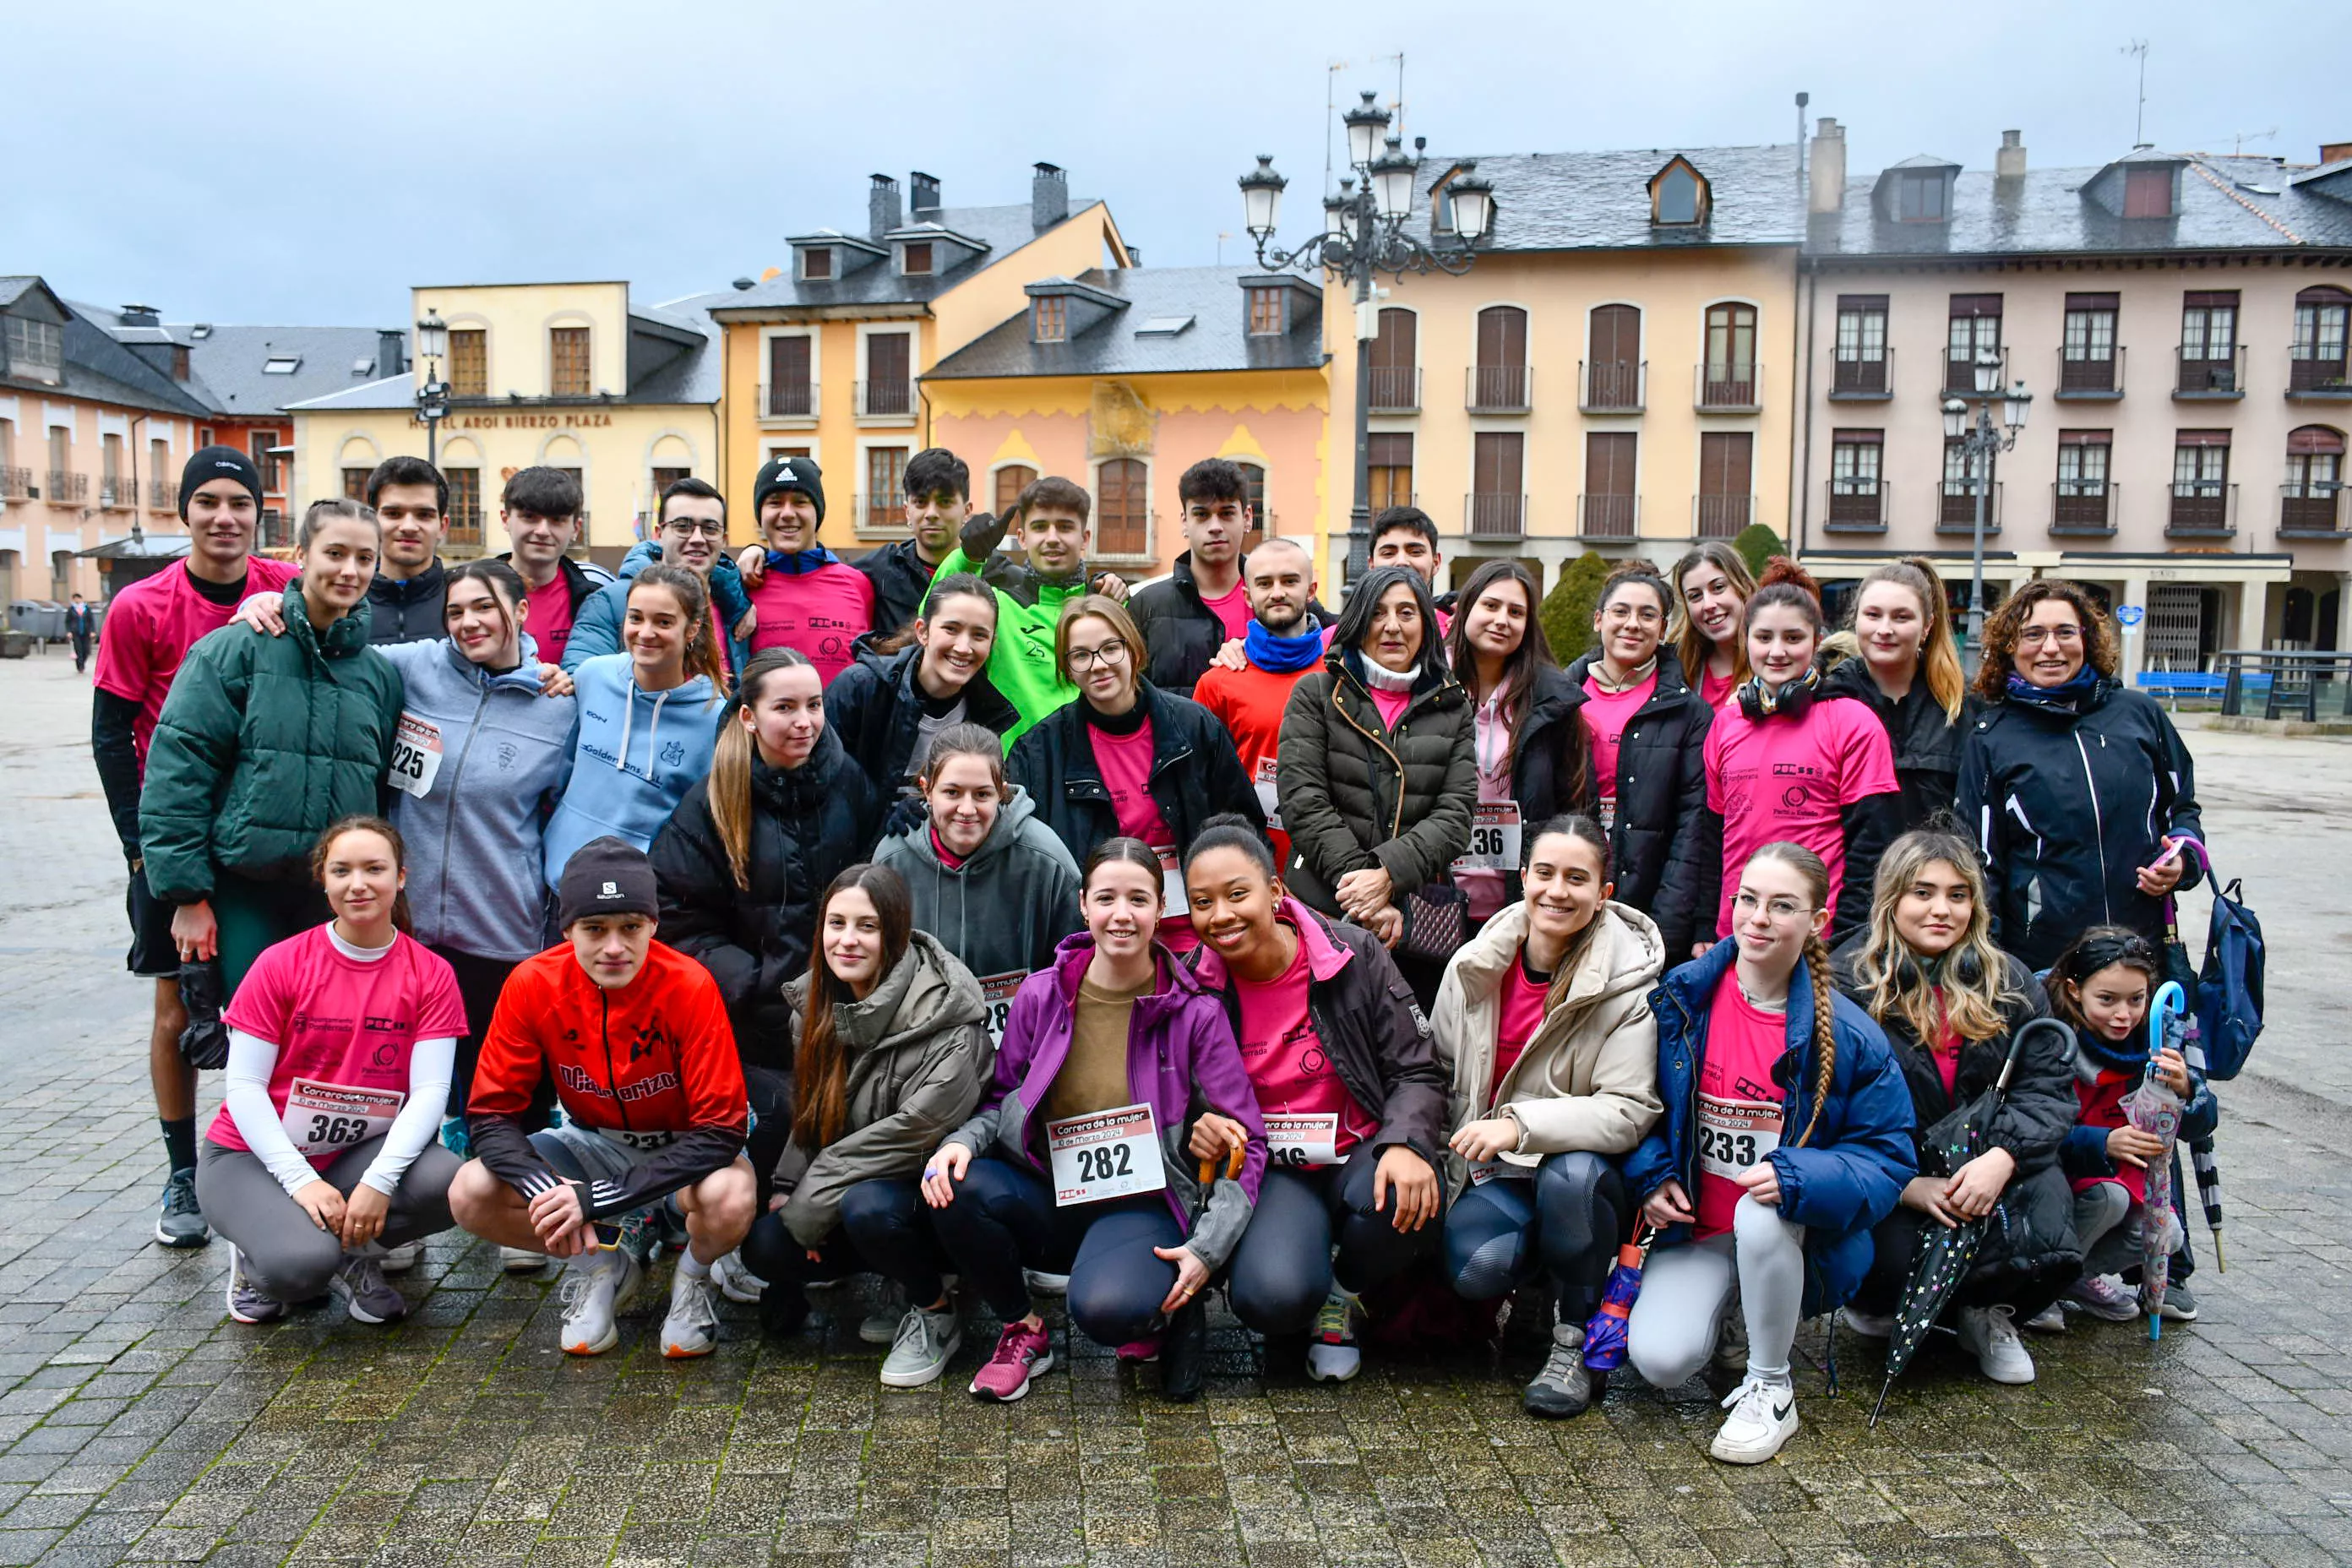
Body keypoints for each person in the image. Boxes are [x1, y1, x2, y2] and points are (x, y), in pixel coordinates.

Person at [922, 839, 1266, 1403]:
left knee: (1108, 1311)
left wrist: (1209, 1249)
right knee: (953, 1186)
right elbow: (1001, 1096)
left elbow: (1246, 1141)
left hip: (1142, 1206)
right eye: (1106, 898)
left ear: (1161, 909)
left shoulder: (1195, 1012)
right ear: (1084, 905)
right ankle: (1021, 1330)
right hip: (1050, 1193)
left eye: (1138, 899)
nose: (1122, 915)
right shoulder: (1042, 996)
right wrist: (961, 1141)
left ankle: (1158, 1311)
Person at [1621, 841, 1914, 1465]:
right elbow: (1636, 1102)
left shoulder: (1852, 1034)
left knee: (1763, 1209)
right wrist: (1653, 1175)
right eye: (1749, 900)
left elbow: (1889, 1158)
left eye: (1782, 906)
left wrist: (1796, 1177)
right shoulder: (1681, 998)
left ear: (1817, 920)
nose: (1758, 918)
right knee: (1660, 1361)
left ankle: (1771, 1388)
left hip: (1798, 1235)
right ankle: (1734, 1308)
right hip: (1698, 1228)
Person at [91, 445, 297, 1247]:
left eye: (238, 504)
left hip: (261, 835)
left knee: (273, 1002)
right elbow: (111, 734)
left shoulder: (282, 587)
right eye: (207, 502)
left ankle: (274, 1160)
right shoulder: (142, 606)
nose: (223, 517)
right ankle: (183, 1172)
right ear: (185, 513)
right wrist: (143, 853)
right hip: (175, 837)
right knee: (177, 1003)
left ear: (258, 515)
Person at [448, 838, 757, 1358]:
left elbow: (721, 1131)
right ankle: (604, 1267)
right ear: (567, 930)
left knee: (731, 1196)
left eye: (630, 927)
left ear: (653, 925)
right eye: (595, 929)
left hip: (690, 1153)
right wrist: (552, 1192)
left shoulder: (690, 984)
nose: (614, 947)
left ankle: (692, 1278)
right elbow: (491, 1115)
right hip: (592, 1143)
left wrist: (594, 1200)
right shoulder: (531, 982)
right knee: (469, 1192)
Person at [1179, 817, 1448, 1384]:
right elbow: (1178, 1098)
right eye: (1202, 902)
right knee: (1269, 1298)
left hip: (1359, 1151)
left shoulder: (1353, 953)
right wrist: (1196, 1125)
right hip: (1274, 1168)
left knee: (1410, 1195)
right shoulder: (1192, 987)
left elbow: (1417, 1070)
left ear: (1275, 891)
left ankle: (1343, 1290)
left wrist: (1404, 1143)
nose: (1221, 915)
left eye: (1237, 894)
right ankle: (1305, 1279)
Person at [1429, 815, 1664, 1417]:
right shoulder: (1473, 967)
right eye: (1545, 873)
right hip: (1498, 1173)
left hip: (1586, 1179)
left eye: (1577, 878)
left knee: (1572, 1177)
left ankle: (1573, 1342)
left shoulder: (1629, 987)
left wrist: (1519, 1125)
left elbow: (1628, 1109)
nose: (1558, 891)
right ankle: (1536, 1288)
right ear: (1523, 879)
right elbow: (1440, 1070)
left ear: (1603, 894)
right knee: (1477, 1269)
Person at [1830, 830, 2077, 1386]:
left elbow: (2047, 1087)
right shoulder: (1846, 982)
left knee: (2047, 1214)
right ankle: (1880, 1302)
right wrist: (1904, 1185)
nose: (1942, 909)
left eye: (1958, 894)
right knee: (1885, 1258)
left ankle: (1984, 1312)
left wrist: (2002, 1159)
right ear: (1892, 898)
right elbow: (1826, 1107)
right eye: (1923, 892)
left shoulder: (2010, 979)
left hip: (1982, 1166)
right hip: (1895, 1175)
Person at [197, 818, 467, 1325]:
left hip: (353, 1152)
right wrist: (300, 1182)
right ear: (323, 879)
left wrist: (378, 1184)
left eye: (374, 868)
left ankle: (357, 1256)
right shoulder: (280, 964)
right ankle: (256, 1254)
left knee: (453, 1184)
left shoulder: (431, 973)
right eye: (342, 870)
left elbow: (431, 1092)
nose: (358, 883)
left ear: (401, 877)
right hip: (249, 1157)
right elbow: (245, 1087)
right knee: (300, 1268)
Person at [739, 865, 996, 1388]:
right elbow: (814, 1105)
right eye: (836, 924)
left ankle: (936, 1307)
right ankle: (894, 1278)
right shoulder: (813, 1003)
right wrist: (789, 1184)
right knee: (766, 1245)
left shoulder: (944, 1014)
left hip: (936, 1192)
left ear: (895, 934)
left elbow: (915, 1132)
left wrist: (813, 1201)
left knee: (867, 1207)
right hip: (857, 1179)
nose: (847, 940)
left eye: (867, 926)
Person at [140, 498, 404, 998]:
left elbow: (382, 787)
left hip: (337, 896)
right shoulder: (233, 651)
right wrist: (187, 895)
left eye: (365, 558)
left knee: (329, 1038)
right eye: (336, 553)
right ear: (303, 553)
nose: (350, 570)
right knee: (256, 1036)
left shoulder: (379, 676)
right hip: (245, 889)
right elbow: (178, 774)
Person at [651, 648, 885, 1180]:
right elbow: (675, 917)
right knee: (769, 1148)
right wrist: (758, 981)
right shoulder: (711, 803)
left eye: (814, 705)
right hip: (755, 1025)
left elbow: (874, 872)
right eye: (785, 708)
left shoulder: (846, 777)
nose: (805, 722)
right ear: (749, 717)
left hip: (846, 1008)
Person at [1956, 580, 2203, 972]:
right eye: (2033, 634)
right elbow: (1981, 862)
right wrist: (1992, 965)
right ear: (2008, 646)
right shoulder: (1991, 737)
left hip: (2141, 952)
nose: (2050, 648)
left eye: (2065, 632)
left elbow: (2182, 809)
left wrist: (2184, 861)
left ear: (2086, 638)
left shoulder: (2140, 714)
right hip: (2046, 962)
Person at [1006, 596, 1262, 945]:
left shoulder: (1195, 726)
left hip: (1196, 930)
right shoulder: (1038, 751)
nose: (1098, 665)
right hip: (1096, 938)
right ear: (1067, 669)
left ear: (1134, 650)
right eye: (1081, 655)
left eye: (1111, 648)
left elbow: (1242, 826)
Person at [1277, 564, 1476, 999]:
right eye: (1378, 613)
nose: (1392, 627)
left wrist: (1388, 875)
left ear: (1426, 624)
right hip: (1323, 906)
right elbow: (1302, 800)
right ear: (1358, 620)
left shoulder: (1453, 708)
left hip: (1415, 913)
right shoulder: (1315, 694)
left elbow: (1456, 814)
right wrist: (1367, 893)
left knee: (1409, 1049)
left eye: (1407, 613)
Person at [1702, 560, 1899, 951]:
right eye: (1764, 637)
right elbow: (1710, 838)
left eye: (1793, 638)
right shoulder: (1725, 723)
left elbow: (1873, 846)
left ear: (1816, 640)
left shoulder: (1853, 722)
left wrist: (1847, 937)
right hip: (1736, 934)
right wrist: (1704, 927)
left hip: (1820, 939)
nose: (1777, 652)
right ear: (1746, 641)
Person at [2045, 927, 2214, 1327]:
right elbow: (2033, 1127)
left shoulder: (2157, 1039)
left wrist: (2187, 1090)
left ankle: (2076, 1278)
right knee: (2110, 1199)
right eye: (2107, 1000)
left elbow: (2198, 1127)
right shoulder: (2052, 1037)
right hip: (2058, 1182)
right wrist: (2103, 1142)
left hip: (2127, 1178)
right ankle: (2041, 1283)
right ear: (2074, 990)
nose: (2123, 1014)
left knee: (2167, 1231)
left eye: (2136, 1000)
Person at [871, 724, 1081, 1026]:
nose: (966, 809)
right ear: (927, 790)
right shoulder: (892, 860)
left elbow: (1078, 962)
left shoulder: (1046, 859)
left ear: (1002, 792)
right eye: (952, 792)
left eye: (982, 794)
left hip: (1024, 1047)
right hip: (920, 1049)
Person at [1558, 564, 1716, 958]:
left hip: (1652, 895)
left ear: (1663, 629)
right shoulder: (1559, 699)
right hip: (1569, 891)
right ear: (1599, 620)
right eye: (1620, 612)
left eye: (1648, 615)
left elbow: (1692, 825)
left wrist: (1664, 926)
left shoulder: (1690, 713)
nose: (1633, 624)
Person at [542, 564, 727, 881]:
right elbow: (559, 776)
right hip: (561, 882)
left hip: (640, 899)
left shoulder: (714, 718)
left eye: (664, 622)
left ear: (692, 629)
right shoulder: (592, 676)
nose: (645, 632)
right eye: (636, 617)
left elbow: (703, 825)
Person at [934, 476, 1130, 741]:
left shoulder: (1113, 608)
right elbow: (935, 613)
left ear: (1084, 538)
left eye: (1064, 527)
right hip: (1014, 775)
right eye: (1040, 527)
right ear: (1022, 538)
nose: (1052, 538)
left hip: (1093, 773)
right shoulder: (997, 608)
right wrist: (967, 557)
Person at [1443, 560, 1581, 929]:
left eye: (1516, 612)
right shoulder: (1427, 687)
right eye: (1491, 606)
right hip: (1434, 896)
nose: (1502, 620)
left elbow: (1574, 805)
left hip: (1520, 904)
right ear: (1466, 607)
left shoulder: (1553, 700)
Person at [1190, 536, 1324, 870]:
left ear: (1311, 590)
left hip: (1327, 861)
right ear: (1249, 596)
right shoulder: (1219, 680)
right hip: (1248, 861)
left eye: (1290, 581)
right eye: (1264, 583)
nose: (1277, 592)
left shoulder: (1342, 671)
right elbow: (1198, 783)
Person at [823, 573, 1019, 795]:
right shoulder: (860, 687)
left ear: (992, 643)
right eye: (951, 629)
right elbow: (818, 780)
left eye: (979, 635)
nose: (964, 647)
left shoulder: (987, 713)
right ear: (922, 632)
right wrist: (881, 814)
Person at [1819, 558, 1972, 831]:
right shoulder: (1826, 698)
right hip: (1852, 872)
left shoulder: (1964, 703)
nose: (1885, 629)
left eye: (1902, 617)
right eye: (1873, 615)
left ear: (1927, 626)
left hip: (1937, 869)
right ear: (1856, 620)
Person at [562, 477, 753, 675]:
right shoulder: (610, 603)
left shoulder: (736, 603)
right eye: (682, 527)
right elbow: (580, 677)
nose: (697, 539)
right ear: (659, 534)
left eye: (710, 529)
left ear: (724, 540)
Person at [730, 456, 875, 684]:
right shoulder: (740, 585)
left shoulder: (859, 584)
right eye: (775, 502)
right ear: (760, 514)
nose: (787, 513)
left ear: (817, 512)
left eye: (800, 502)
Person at [1128, 459, 1255, 696]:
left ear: (1247, 517)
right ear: (1185, 521)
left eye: (1227, 513)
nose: (1215, 526)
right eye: (1202, 515)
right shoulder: (1146, 607)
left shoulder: (1277, 601)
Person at [493, 466, 614, 667]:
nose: (542, 531)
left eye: (557, 520)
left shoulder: (601, 587)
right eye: (530, 517)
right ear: (505, 520)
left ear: (576, 528)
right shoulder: (472, 588)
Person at [859, 447, 972, 637]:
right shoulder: (880, 569)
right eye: (921, 502)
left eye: (945, 502)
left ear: (967, 512)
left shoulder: (994, 574)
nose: (931, 514)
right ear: (907, 511)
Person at [362, 456, 451, 646]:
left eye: (424, 515)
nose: (409, 526)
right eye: (393, 514)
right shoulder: (343, 602)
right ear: (371, 522)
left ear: (443, 526)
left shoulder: (464, 603)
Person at [1670, 542, 1757, 712]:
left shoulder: (1777, 662)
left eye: (1718, 588)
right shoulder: (1674, 669)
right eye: (1695, 596)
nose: (1708, 605)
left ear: (1744, 586)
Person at [1367, 506, 1452, 629]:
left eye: (1415, 552)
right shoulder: (1341, 637)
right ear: (1371, 565)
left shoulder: (1458, 636)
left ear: (1436, 562)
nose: (1402, 562)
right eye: (1388, 553)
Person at [66, 592, 95, 672]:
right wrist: (69, 631)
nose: (77, 600)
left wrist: (92, 631)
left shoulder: (86, 608)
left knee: (86, 650)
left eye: (78, 598)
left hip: (86, 632)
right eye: (75, 598)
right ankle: (80, 667)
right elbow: (67, 621)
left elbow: (91, 620)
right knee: (79, 650)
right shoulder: (71, 609)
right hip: (76, 632)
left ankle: (82, 663)